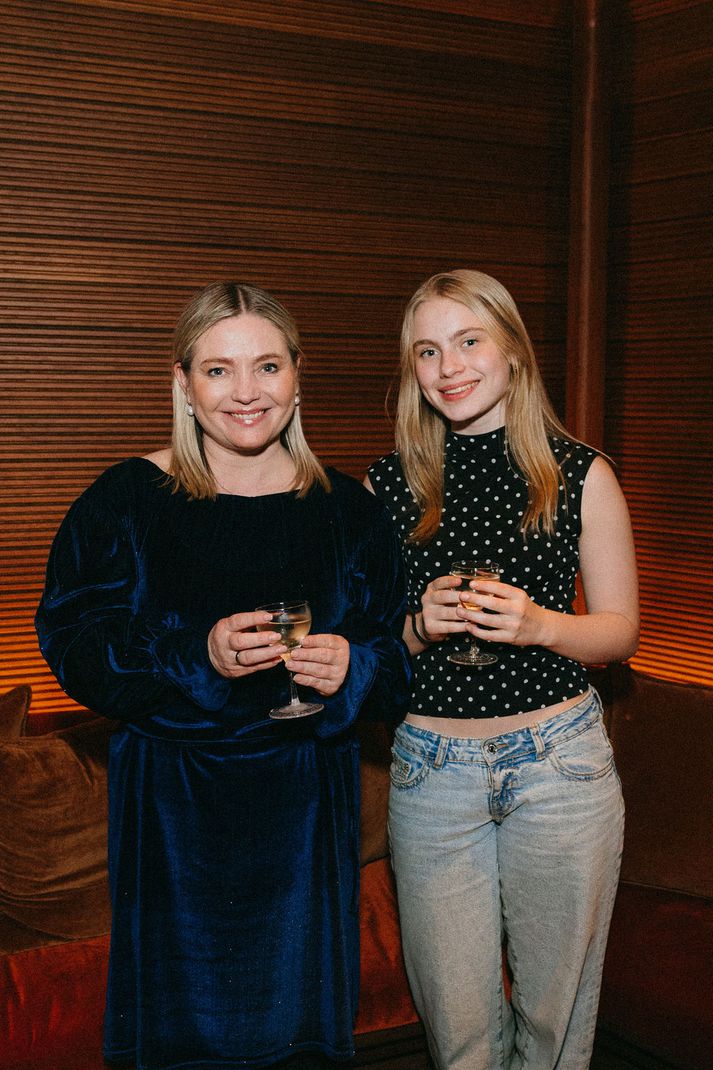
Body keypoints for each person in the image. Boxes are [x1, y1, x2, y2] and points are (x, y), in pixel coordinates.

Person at [36, 281, 411, 1070]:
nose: (246, 391)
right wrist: (195, 655)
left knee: (296, 1034)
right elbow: (73, 645)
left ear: (297, 375)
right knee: (184, 1035)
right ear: (182, 382)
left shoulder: (348, 510)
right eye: (218, 369)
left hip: (305, 809)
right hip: (175, 812)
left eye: (267, 366)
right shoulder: (125, 501)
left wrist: (355, 664)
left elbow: (397, 667)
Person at [365, 269, 639, 1070]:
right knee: (459, 1035)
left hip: (560, 768)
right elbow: (368, 649)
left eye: (468, 341)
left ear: (512, 350)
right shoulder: (384, 486)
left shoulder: (581, 473)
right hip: (430, 773)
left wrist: (538, 625)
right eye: (427, 350)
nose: (448, 366)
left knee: (556, 1031)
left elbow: (619, 632)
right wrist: (418, 626)